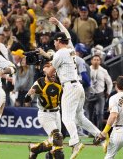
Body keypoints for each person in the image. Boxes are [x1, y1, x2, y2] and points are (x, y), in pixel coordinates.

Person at [40, 17, 104, 159]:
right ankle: (99, 135)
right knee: (79, 118)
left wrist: (46, 67)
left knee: (67, 118)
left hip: (69, 87)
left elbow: (50, 73)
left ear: (58, 41)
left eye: (55, 41)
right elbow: (67, 36)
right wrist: (59, 24)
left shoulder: (59, 53)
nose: (54, 43)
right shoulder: (70, 49)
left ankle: (75, 143)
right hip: (78, 86)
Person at [27, 61, 64, 159]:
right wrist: (30, 94)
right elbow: (27, 99)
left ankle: (34, 148)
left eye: (53, 69)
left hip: (57, 112)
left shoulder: (59, 80)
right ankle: (37, 150)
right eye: (49, 68)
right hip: (45, 114)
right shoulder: (40, 82)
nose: (53, 72)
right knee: (57, 137)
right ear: (44, 71)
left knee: (56, 143)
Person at [97, 76, 123, 158]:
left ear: (117, 86)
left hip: (119, 131)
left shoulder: (114, 98)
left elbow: (113, 115)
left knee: (109, 156)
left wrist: (104, 132)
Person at [86, 55, 113, 130]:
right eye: (94, 59)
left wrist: (108, 92)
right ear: (91, 61)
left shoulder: (104, 71)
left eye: (98, 60)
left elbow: (110, 82)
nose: (96, 61)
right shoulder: (87, 69)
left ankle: (99, 132)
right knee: (89, 115)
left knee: (100, 114)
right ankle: (90, 132)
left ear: (100, 61)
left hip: (100, 95)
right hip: (90, 94)